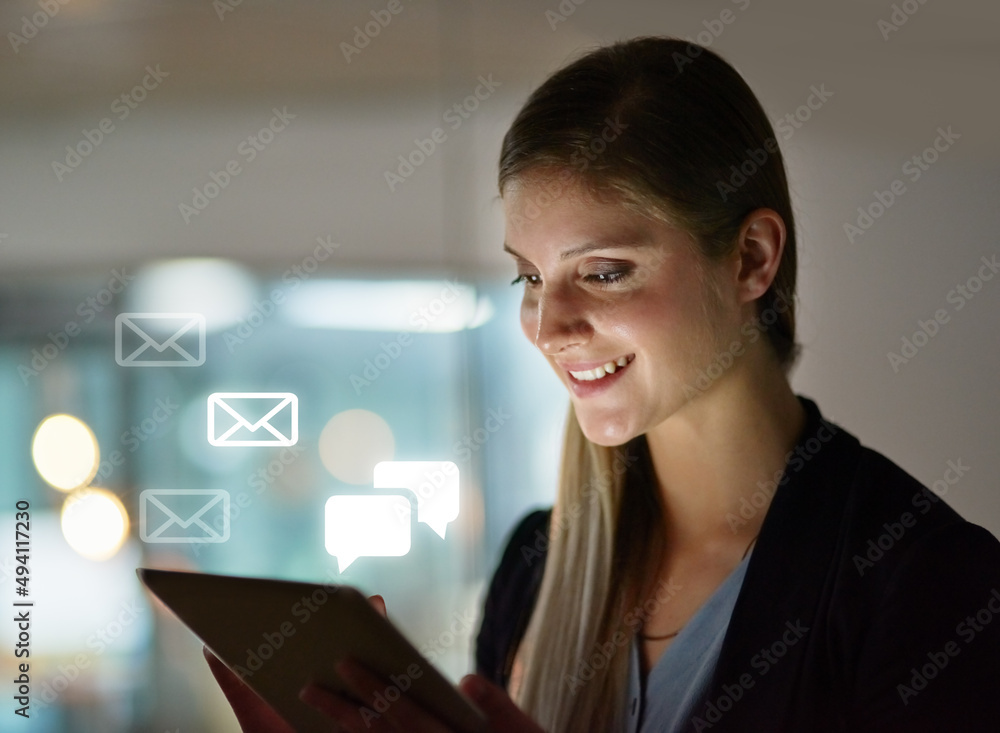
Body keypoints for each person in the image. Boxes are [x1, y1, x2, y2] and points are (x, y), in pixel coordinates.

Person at [207, 36, 1000, 732]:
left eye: (605, 272)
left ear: (752, 258)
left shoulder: (927, 581)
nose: (548, 325)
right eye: (529, 276)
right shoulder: (533, 565)